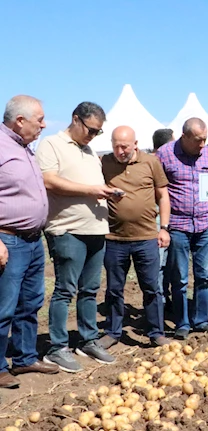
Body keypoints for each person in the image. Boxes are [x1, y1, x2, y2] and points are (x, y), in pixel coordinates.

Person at [36, 102, 117, 372]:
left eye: (98, 132)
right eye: (91, 129)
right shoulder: (51, 144)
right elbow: (48, 180)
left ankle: (88, 339)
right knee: (65, 290)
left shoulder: (90, 150)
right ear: (75, 119)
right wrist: (90, 190)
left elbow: (89, 186)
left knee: (90, 290)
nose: (93, 136)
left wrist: (106, 191)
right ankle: (57, 347)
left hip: (95, 229)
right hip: (68, 229)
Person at [0, 95, 59, 386]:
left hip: (34, 242)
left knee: (30, 303)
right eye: (40, 120)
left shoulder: (25, 148)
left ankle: (24, 359)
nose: (44, 125)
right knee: (4, 307)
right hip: (7, 241)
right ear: (20, 120)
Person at [98, 126, 171, 349]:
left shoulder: (151, 162)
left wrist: (164, 228)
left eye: (125, 146)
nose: (120, 151)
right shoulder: (104, 163)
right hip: (114, 238)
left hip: (147, 237)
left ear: (135, 144)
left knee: (151, 288)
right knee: (114, 289)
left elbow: (163, 196)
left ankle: (156, 332)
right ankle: (112, 332)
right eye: (116, 146)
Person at [156, 118, 208, 339]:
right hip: (178, 225)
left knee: (203, 274)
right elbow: (158, 189)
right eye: (198, 140)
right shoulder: (164, 154)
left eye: (205, 139)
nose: (202, 144)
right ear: (184, 137)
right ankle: (182, 323)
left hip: (204, 224)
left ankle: (201, 320)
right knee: (180, 277)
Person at [152, 128, 174, 312]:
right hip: (158, 218)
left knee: (167, 263)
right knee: (160, 263)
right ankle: (160, 302)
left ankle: (164, 298)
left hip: (169, 217)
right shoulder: (154, 162)